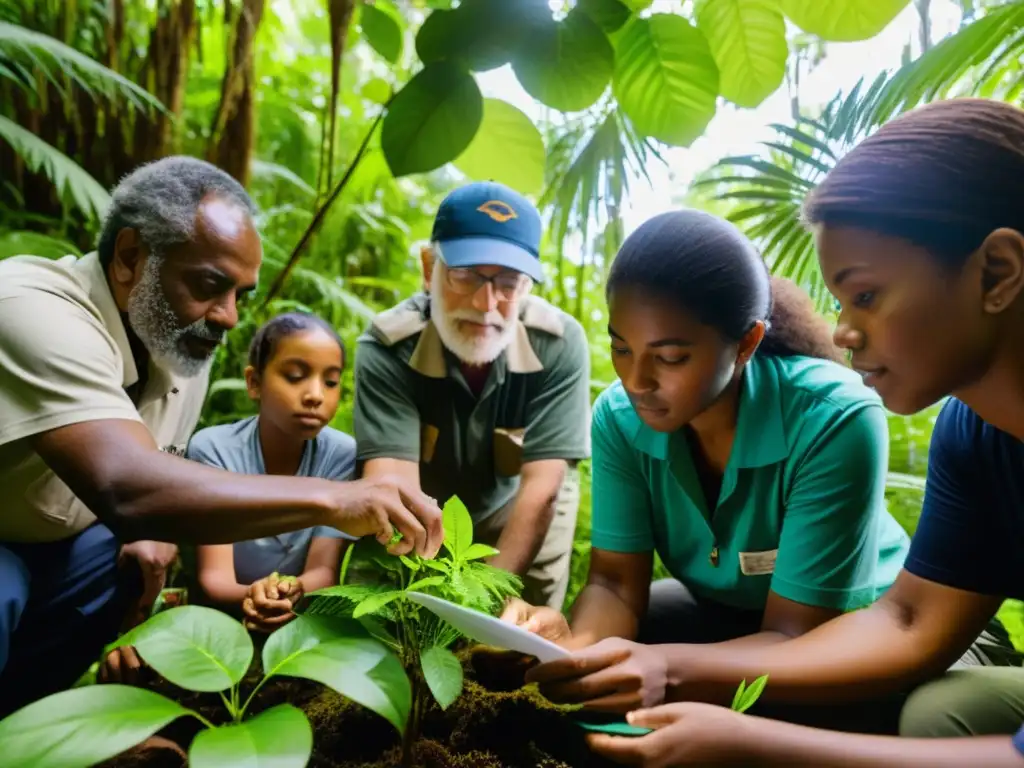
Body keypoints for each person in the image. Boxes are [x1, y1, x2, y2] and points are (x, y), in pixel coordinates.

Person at [582, 98, 1024, 768]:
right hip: (799, 623)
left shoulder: (834, 414)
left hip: (843, 629)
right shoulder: (974, 436)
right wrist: (629, 663)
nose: (843, 332)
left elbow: (831, 629)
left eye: (866, 296)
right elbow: (909, 622)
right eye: (841, 303)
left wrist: (754, 738)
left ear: (996, 273)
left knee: (937, 717)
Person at [0, 157, 441, 717]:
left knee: (127, 560)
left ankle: (25, 724)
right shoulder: (30, 306)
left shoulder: (181, 346)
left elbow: (157, 483)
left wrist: (149, 541)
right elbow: (127, 486)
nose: (230, 317)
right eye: (209, 285)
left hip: (65, 545)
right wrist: (335, 499)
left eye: (240, 294)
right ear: (131, 257)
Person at [502, 209, 916, 731]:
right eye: (621, 348)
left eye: (670, 358)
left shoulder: (834, 418)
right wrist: (573, 656)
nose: (636, 381)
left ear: (746, 343)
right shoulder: (621, 417)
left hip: (847, 626)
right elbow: (614, 583)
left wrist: (667, 674)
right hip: (730, 610)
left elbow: (795, 635)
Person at [352, 181, 591, 609]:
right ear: (429, 269)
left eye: (508, 283)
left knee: (521, 630)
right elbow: (394, 489)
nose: (486, 303)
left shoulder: (558, 344)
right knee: (389, 606)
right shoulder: (389, 347)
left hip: (516, 504)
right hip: (425, 505)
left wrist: (487, 600)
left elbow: (542, 492)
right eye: (465, 275)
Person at [189, 312, 356, 631]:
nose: (315, 396)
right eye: (295, 376)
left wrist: (289, 592)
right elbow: (214, 578)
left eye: (331, 382)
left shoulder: (342, 455)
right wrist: (254, 595)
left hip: (303, 624)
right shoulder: (213, 451)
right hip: (217, 624)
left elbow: (324, 570)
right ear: (254, 383)